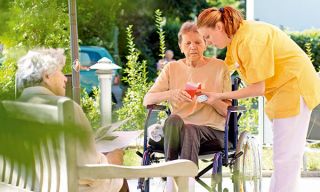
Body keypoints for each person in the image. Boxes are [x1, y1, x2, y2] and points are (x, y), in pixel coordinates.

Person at [197, 6, 320, 192]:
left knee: (286, 157)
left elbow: (258, 88)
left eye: (207, 37)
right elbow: (225, 70)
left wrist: (220, 96)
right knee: (285, 156)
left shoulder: (249, 39)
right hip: (283, 92)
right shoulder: (237, 38)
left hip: (294, 88)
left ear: (220, 27)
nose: (207, 43)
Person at [15, 48, 128, 192]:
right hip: (71, 187)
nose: (64, 78)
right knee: (119, 176)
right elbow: (90, 170)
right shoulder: (65, 108)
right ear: (47, 76)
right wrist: (113, 162)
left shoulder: (11, 109)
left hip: (31, 186)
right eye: (60, 71)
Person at [143, 21, 231, 191]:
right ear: (180, 46)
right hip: (177, 133)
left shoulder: (220, 68)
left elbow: (226, 111)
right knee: (173, 119)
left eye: (198, 42)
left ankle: (185, 186)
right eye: (188, 43)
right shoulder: (172, 68)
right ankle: (171, 179)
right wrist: (171, 93)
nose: (193, 47)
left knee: (190, 129)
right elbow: (147, 100)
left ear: (205, 43)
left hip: (212, 132)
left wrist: (206, 97)